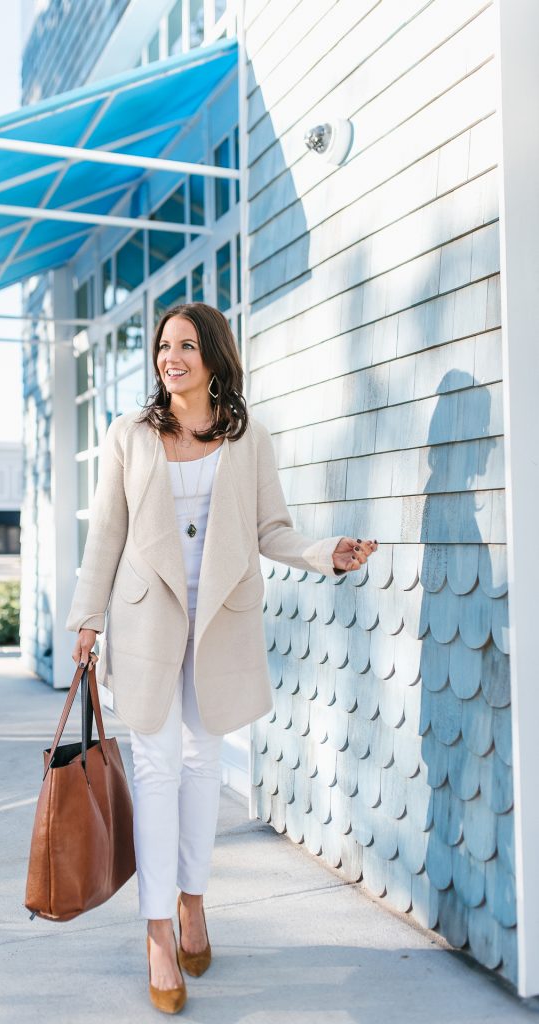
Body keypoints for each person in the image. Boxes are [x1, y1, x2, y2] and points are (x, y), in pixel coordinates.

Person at [67, 302, 378, 1013]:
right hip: (147, 624)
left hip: (220, 624)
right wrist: (86, 618)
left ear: (214, 357)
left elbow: (273, 529)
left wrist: (324, 553)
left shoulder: (249, 438)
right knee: (155, 768)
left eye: (184, 346)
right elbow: (105, 538)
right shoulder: (129, 437)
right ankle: (155, 933)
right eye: (162, 347)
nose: (169, 358)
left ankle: (194, 902)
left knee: (204, 763)